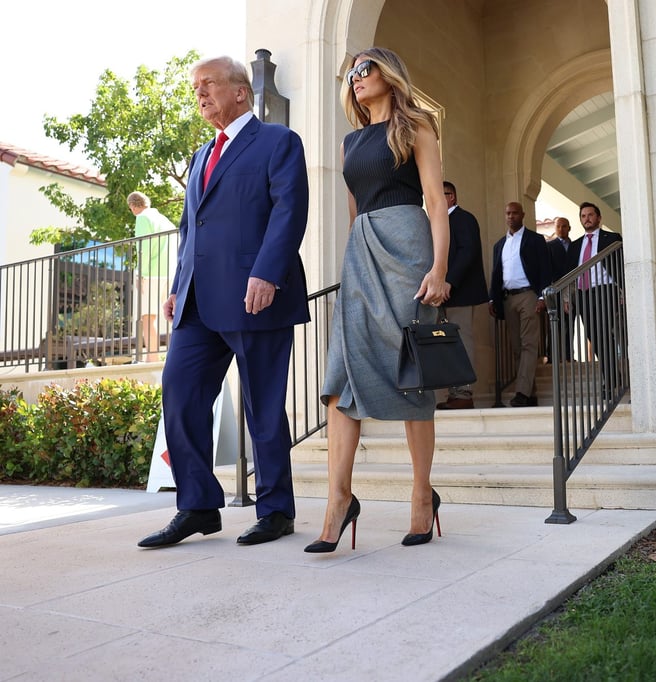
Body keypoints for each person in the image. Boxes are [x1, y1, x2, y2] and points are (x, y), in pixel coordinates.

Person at [138, 56, 310, 549]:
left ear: (240, 91)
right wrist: (177, 284)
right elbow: (192, 229)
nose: (200, 94)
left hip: (258, 295)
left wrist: (267, 272)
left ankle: (275, 509)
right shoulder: (198, 157)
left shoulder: (278, 142)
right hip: (198, 302)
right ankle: (197, 506)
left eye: (208, 84)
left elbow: (289, 210)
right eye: (195, 88)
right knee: (181, 392)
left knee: (264, 407)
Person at [306, 47, 451, 554]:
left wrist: (439, 268)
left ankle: (420, 495)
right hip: (363, 253)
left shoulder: (417, 127)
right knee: (340, 376)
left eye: (365, 69)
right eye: (351, 73)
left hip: (409, 250)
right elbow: (354, 213)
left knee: (412, 371)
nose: (356, 78)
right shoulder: (350, 143)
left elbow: (435, 201)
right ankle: (339, 501)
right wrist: (351, 265)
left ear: (389, 74)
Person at [488, 201, 552, 407]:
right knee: (516, 347)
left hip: (528, 295)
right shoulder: (500, 244)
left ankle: (521, 393)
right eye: (508, 213)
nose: (511, 216)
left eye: (515, 213)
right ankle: (531, 393)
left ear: (522, 215)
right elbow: (496, 274)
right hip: (508, 298)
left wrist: (543, 296)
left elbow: (545, 269)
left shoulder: (535, 239)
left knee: (529, 344)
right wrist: (493, 298)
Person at [436, 181, 488, 410]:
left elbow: (468, 252)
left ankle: (464, 393)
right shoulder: (438, 223)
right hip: (441, 295)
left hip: (461, 293)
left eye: (442, 193)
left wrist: (449, 282)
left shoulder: (464, 219)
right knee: (446, 345)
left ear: (452, 197)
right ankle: (453, 393)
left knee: (462, 343)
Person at [566, 202, 623, 399]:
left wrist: (623, 290)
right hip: (583, 293)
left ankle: (609, 378)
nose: (587, 219)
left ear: (598, 218)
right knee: (593, 334)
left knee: (603, 331)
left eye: (590, 215)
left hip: (605, 290)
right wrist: (567, 297)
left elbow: (621, 265)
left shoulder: (612, 238)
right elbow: (569, 274)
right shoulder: (575, 245)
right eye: (583, 216)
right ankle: (613, 374)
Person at [127, 191, 174, 362]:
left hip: (152, 273)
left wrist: (140, 274)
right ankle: (174, 354)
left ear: (132, 206)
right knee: (173, 314)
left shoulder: (142, 218)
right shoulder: (164, 220)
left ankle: (152, 358)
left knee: (148, 316)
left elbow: (143, 249)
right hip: (170, 272)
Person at [545, 216, 573, 362]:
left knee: (570, 324)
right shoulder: (549, 246)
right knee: (554, 324)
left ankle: (569, 356)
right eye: (558, 227)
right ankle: (551, 357)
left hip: (573, 290)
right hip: (555, 289)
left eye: (564, 226)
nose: (561, 229)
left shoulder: (575, 246)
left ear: (569, 228)